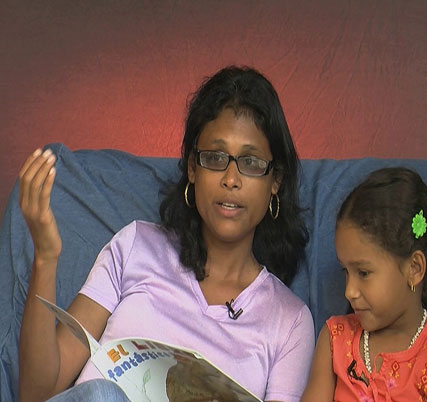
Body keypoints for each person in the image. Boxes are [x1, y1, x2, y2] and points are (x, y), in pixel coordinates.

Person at [17, 66, 315, 402]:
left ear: (275, 181)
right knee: (102, 394)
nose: (231, 178)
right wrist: (45, 256)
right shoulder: (135, 247)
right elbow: (36, 394)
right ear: (192, 168)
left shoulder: (289, 322)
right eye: (215, 158)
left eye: (250, 162)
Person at [301, 167, 427, 401]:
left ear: (414, 269)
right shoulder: (334, 339)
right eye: (345, 272)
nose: (349, 291)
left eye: (364, 272)